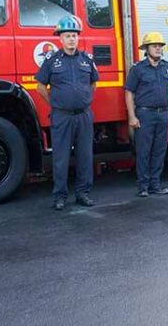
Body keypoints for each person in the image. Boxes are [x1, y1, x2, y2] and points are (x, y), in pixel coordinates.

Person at [36, 15, 99, 211]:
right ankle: (60, 196)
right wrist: (55, 104)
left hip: (83, 115)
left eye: (74, 35)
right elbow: (40, 86)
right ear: (60, 39)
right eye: (67, 36)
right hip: (61, 116)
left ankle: (83, 193)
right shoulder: (52, 60)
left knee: (85, 156)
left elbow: (93, 84)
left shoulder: (87, 60)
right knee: (61, 158)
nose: (71, 39)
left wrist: (83, 100)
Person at [125, 32, 168, 197]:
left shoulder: (167, 67)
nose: (158, 49)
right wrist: (132, 116)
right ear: (146, 49)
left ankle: (155, 184)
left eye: (160, 46)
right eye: (155, 46)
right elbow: (129, 93)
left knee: (159, 151)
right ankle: (143, 186)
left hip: (162, 114)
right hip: (145, 114)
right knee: (144, 151)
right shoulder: (138, 69)